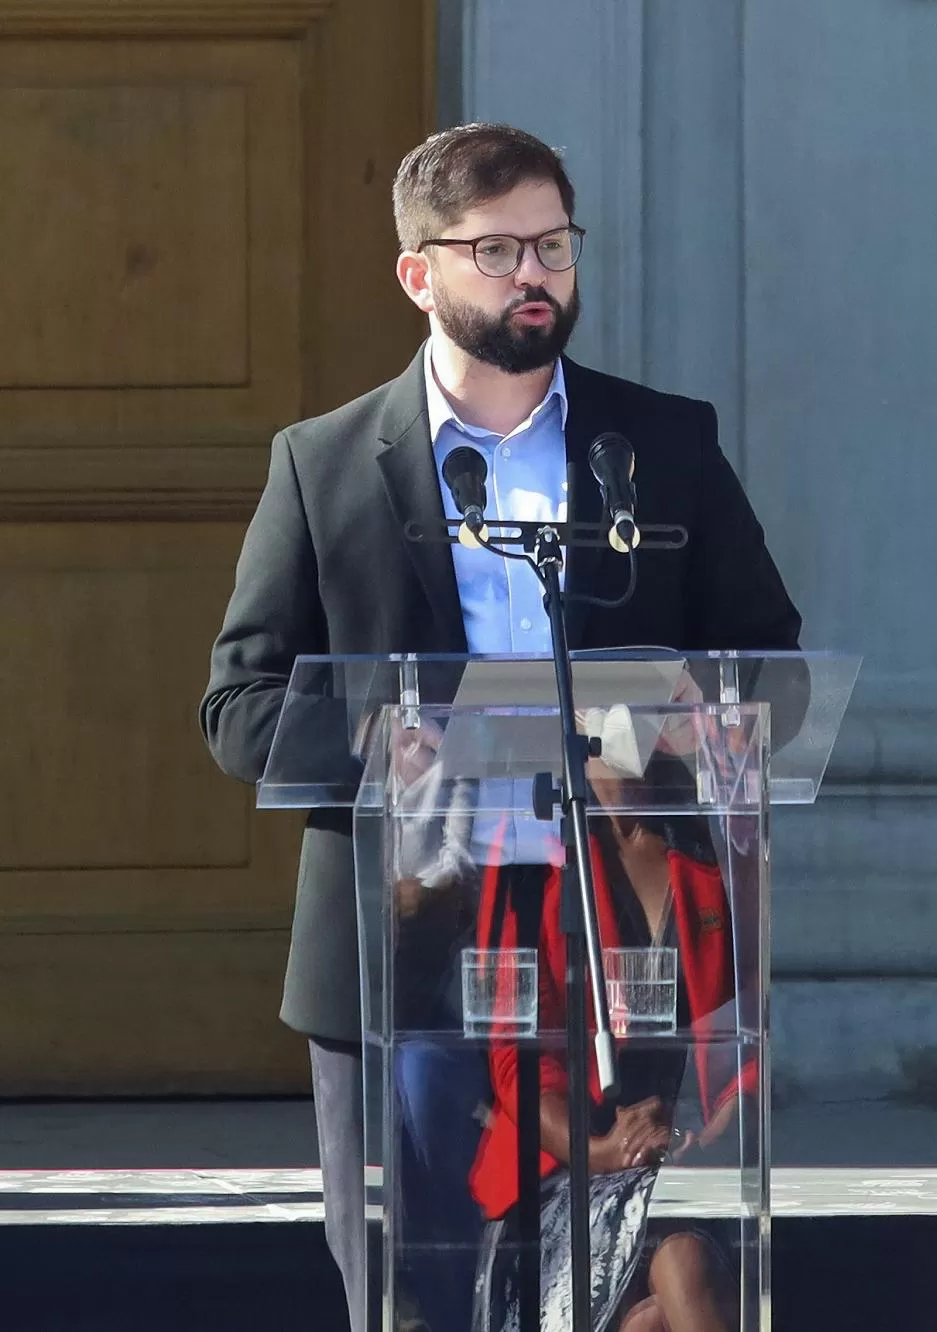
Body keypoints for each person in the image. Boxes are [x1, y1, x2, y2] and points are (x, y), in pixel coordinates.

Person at [200, 122, 801, 1332]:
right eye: (498, 249)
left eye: (553, 244)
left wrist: (692, 714)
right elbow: (241, 706)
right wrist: (379, 739)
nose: (536, 274)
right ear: (420, 273)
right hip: (411, 939)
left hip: (617, 948)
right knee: (419, 1296)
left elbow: (773, 673)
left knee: (618, 1289)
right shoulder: (324, 466)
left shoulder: (662, 447)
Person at [470, 752, 753, 1332]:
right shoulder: (531, 838)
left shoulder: (707, 829)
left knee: (675, 1281)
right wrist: (601, 1150)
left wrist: (722, 1124)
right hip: (566, 1171)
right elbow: (517, 1060)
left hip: (684, 1161)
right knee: (683, 1272)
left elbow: (750, 1019)